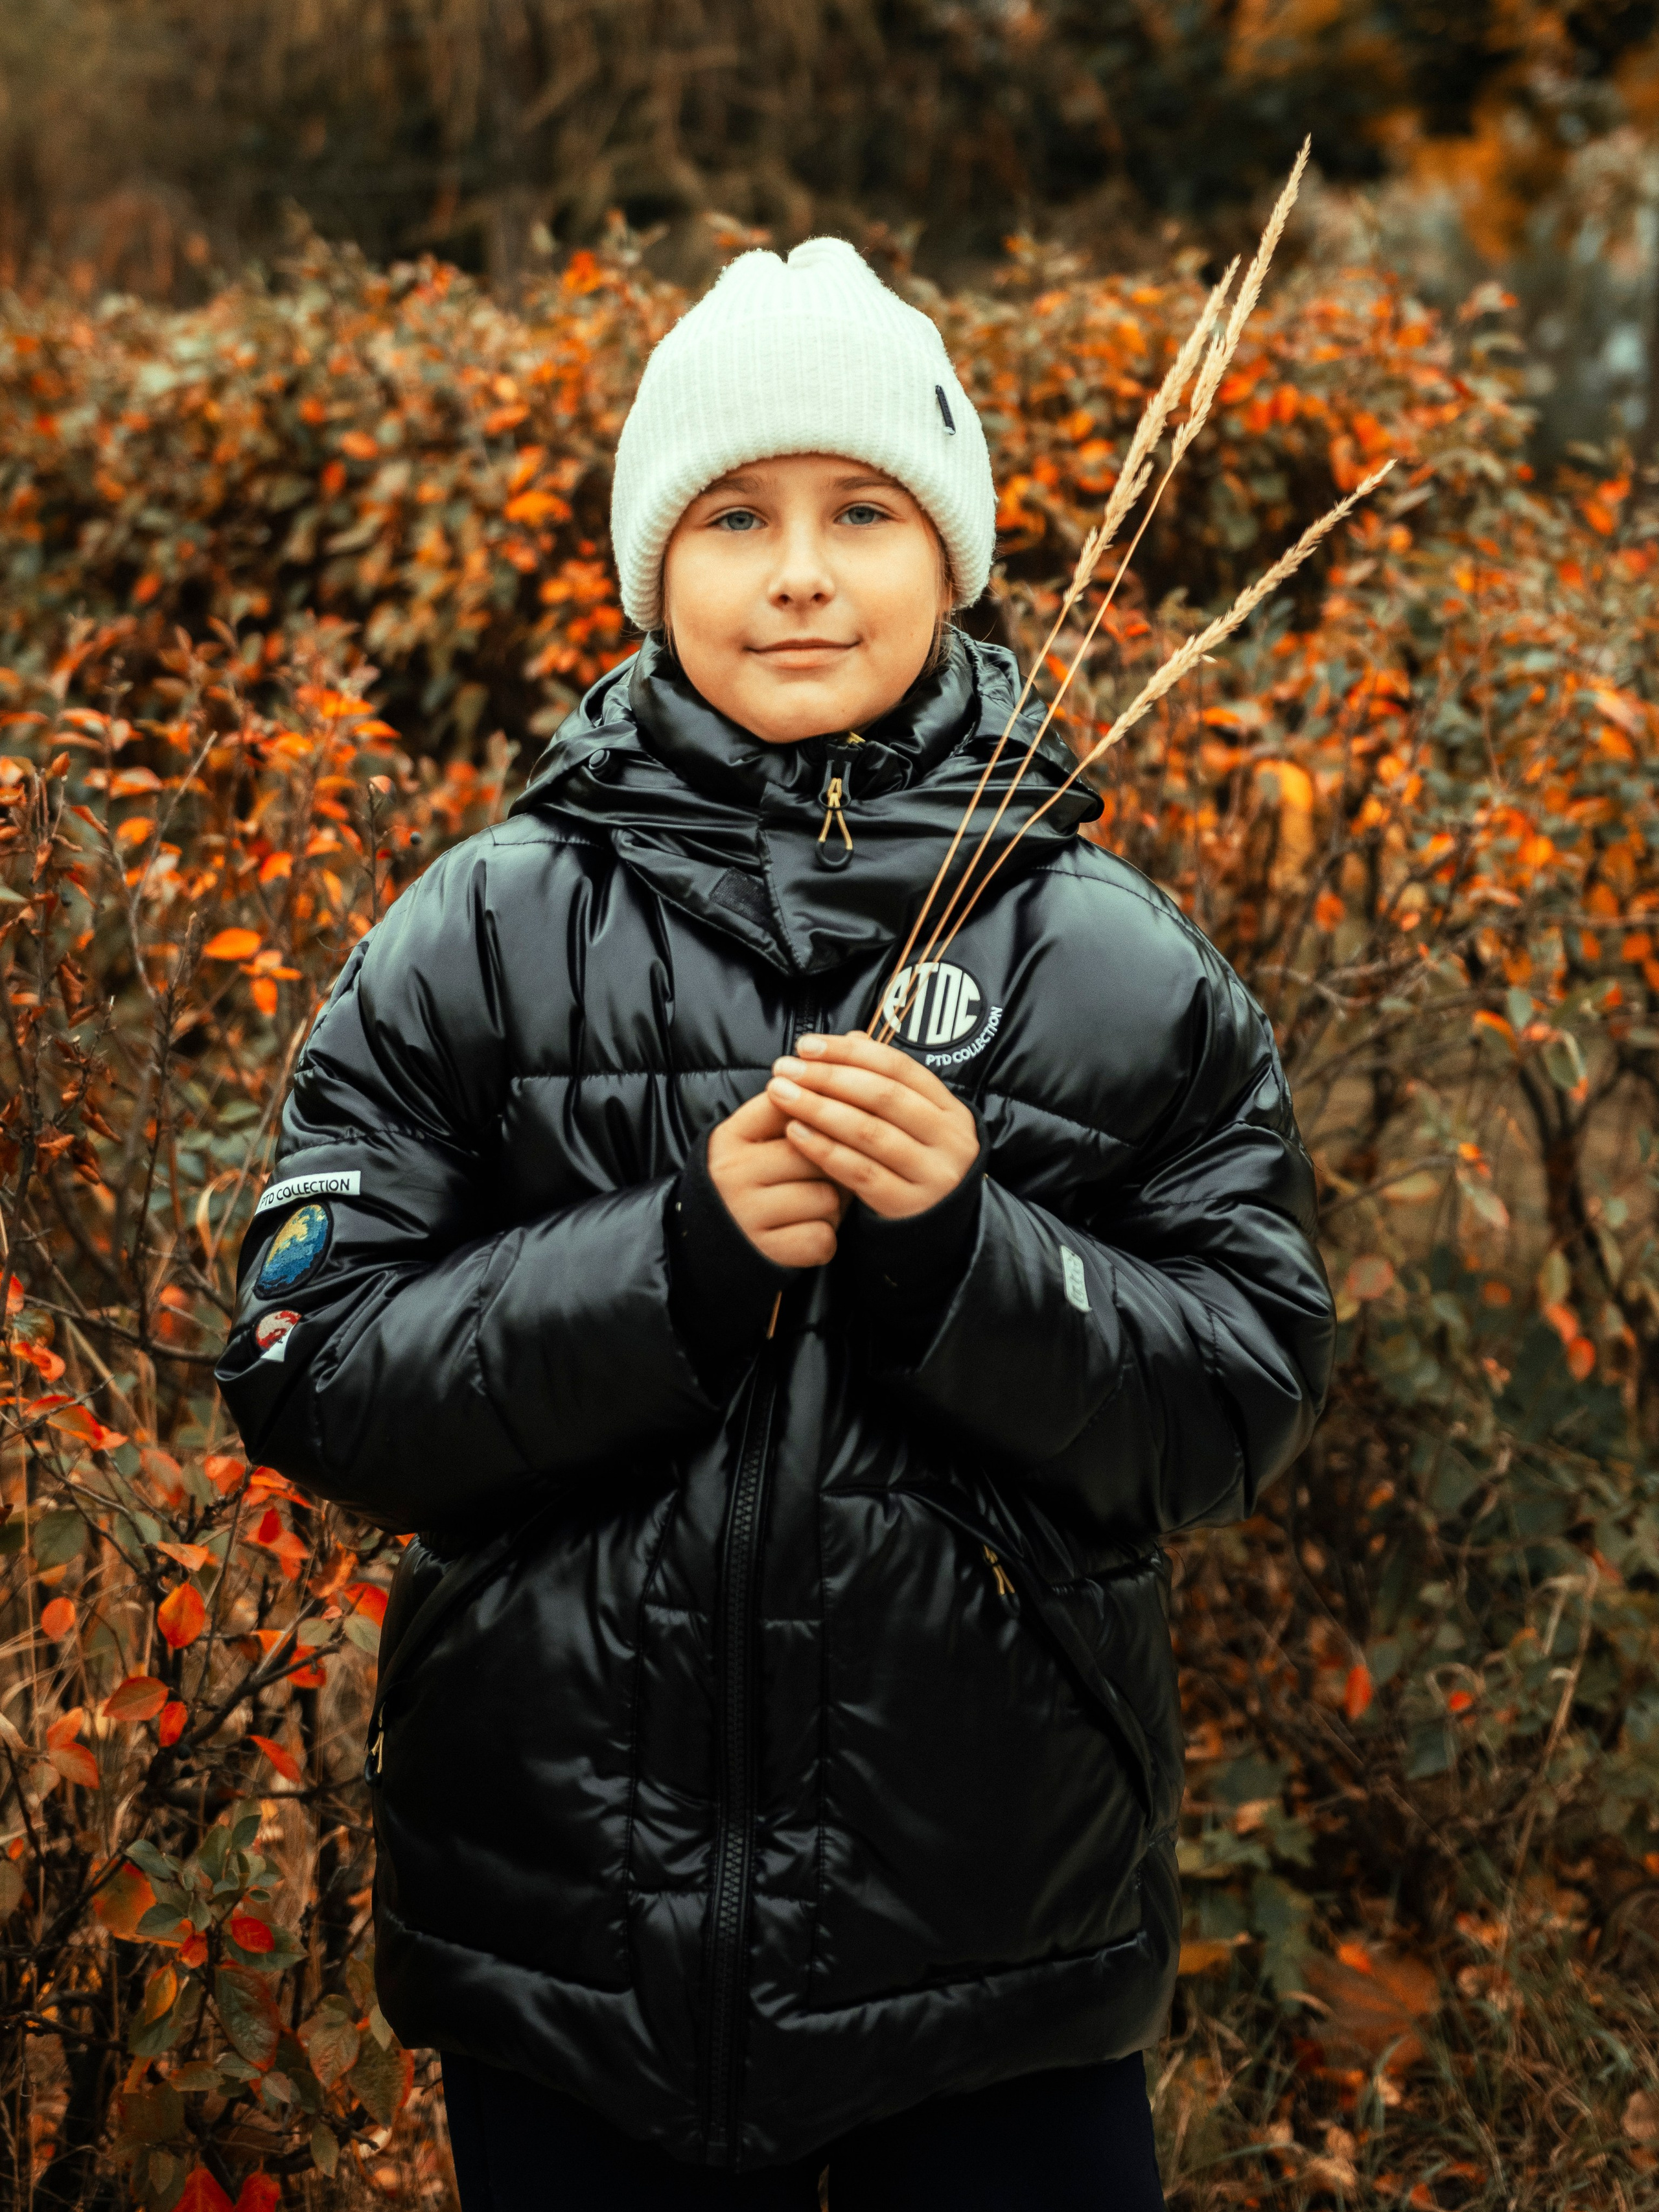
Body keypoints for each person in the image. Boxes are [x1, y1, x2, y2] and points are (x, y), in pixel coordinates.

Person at [218, 238, 1334, 2209]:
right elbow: (314, 1363)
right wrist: (675, 1264)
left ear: (956, 555)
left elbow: (1239, 1397)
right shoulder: (478, 934)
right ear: (655, 567)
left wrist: (963, 1263)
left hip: (997, 1966)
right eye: (734, 515)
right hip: (569, 1966)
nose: (799, 570)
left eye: (861, 512)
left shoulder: (1115, 965)